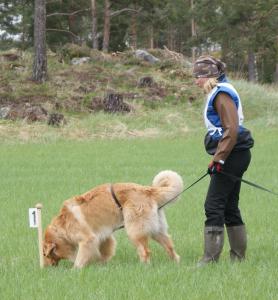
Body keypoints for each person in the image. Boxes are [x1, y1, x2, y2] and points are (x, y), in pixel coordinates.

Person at [192, 55, 254, 266]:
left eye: (197, 77)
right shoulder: (220, 91)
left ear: (207, 76)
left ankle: (209, 260)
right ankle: (238, 258)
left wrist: (219, 159)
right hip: (235, 153)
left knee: (213, 205)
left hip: (232, 155)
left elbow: (231, 128)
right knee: (229, 206)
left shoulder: (221, 94)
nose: (195, 81)